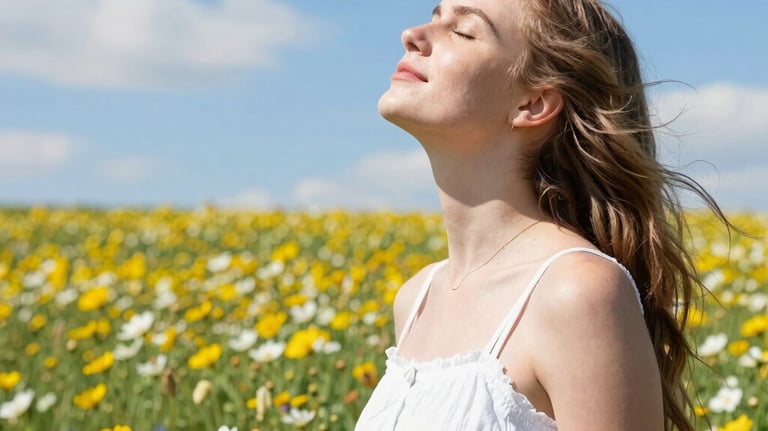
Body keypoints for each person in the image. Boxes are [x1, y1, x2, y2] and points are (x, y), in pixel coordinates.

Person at [355, 0, 729, 430]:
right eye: (435, 15)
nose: (412, 35)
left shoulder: (577, 292)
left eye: (464, 31)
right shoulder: (417, 298)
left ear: (532, 103)